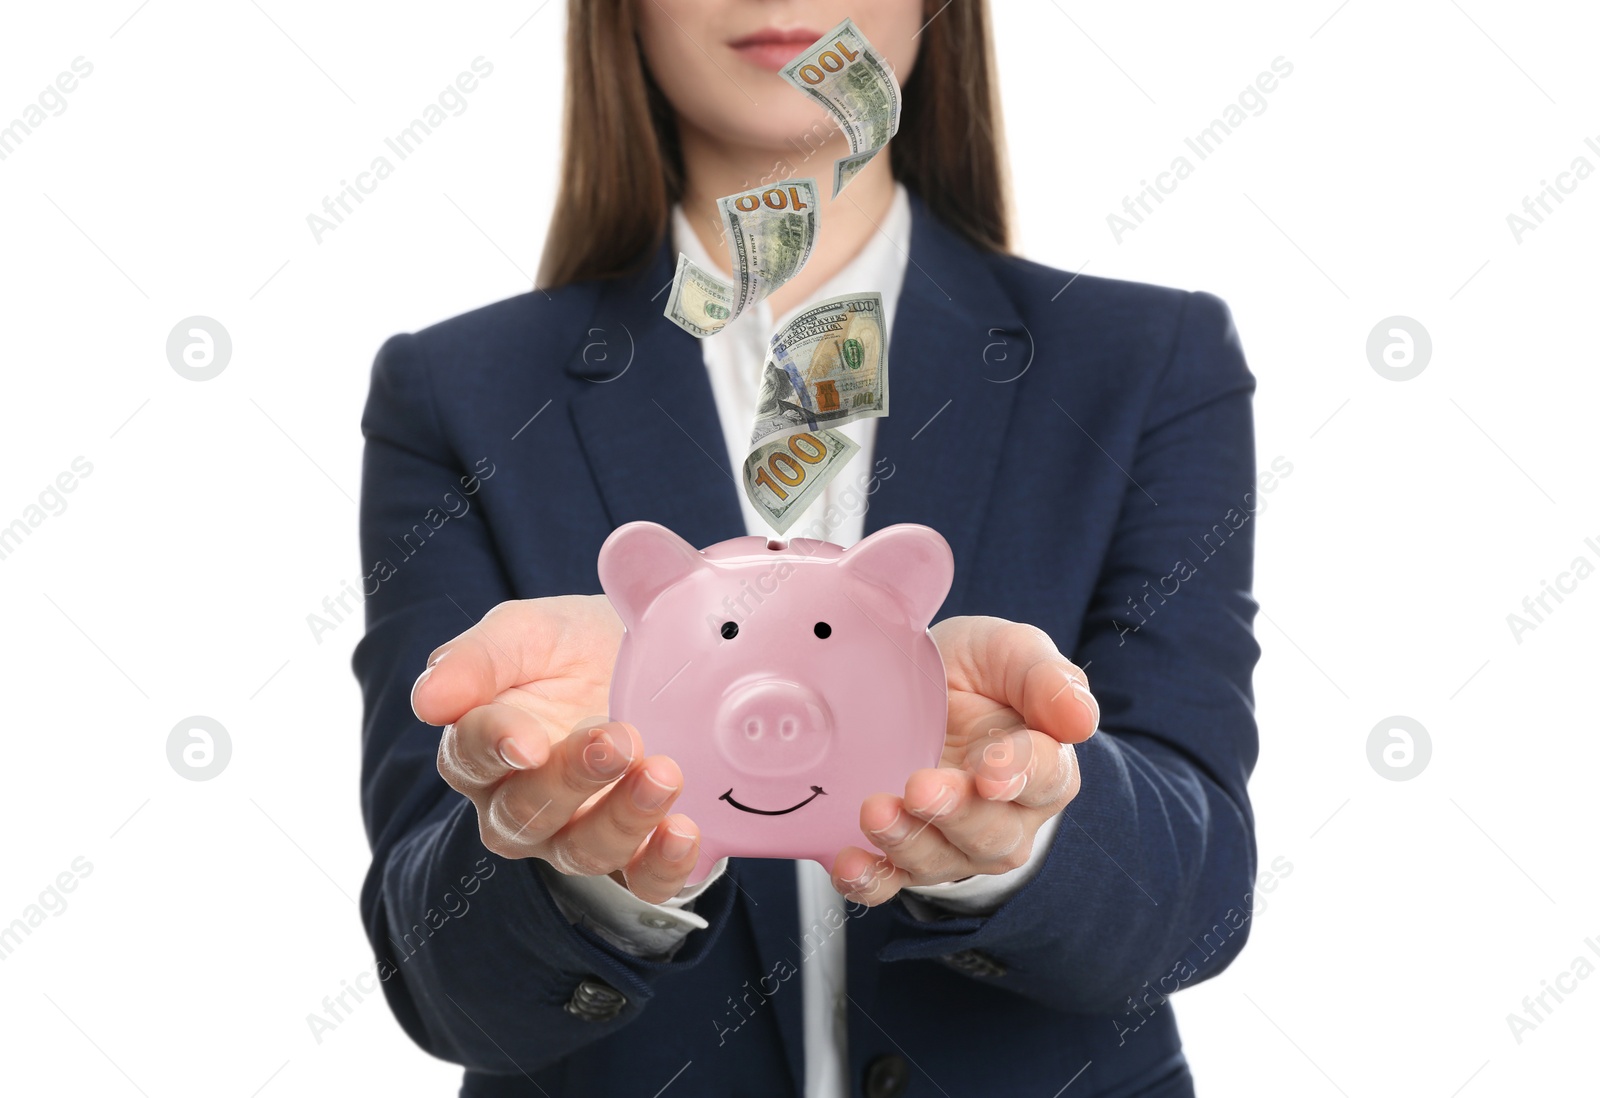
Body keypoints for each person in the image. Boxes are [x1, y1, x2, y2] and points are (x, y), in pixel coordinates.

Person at [354, 2, 1262, 1095]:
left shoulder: (1147, 363)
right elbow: (438, 979)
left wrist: (1022, 822)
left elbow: (1201, 901)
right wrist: (584, 857)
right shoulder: (458, 395)